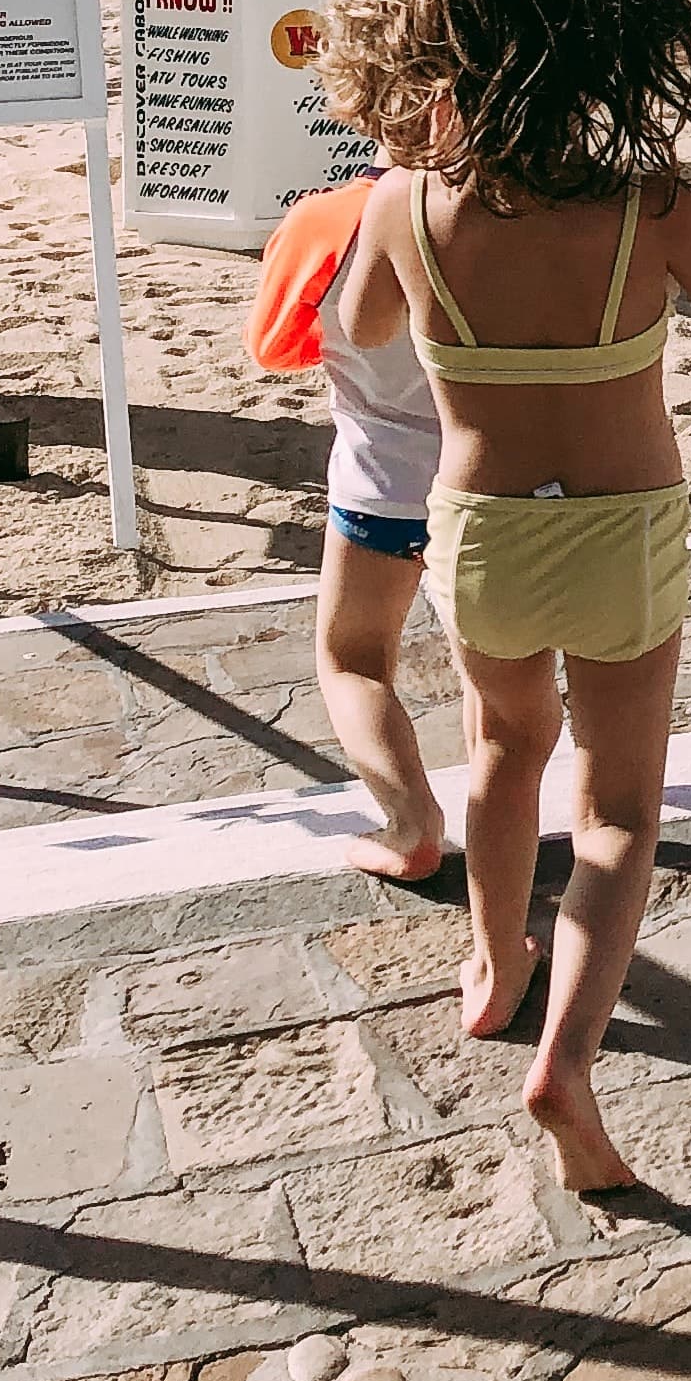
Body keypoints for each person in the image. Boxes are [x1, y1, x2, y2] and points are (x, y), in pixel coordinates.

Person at [329, 0, 691, 1193]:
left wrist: (407, 177)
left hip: (483, 536)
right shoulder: (649, 208)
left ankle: (497, 960)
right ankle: (566, 1053)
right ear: (610, 31)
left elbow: (361, 334)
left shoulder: (404, 204)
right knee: (618, 812)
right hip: (624, 536)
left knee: (503, 758)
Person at [245, 89, 444, 883]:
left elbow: (274, 347)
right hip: (503, 477)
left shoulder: (329, 218)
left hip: (382, 482)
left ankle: (410, 822)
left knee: (354, 659)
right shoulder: (509, 210)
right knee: (497, 678)